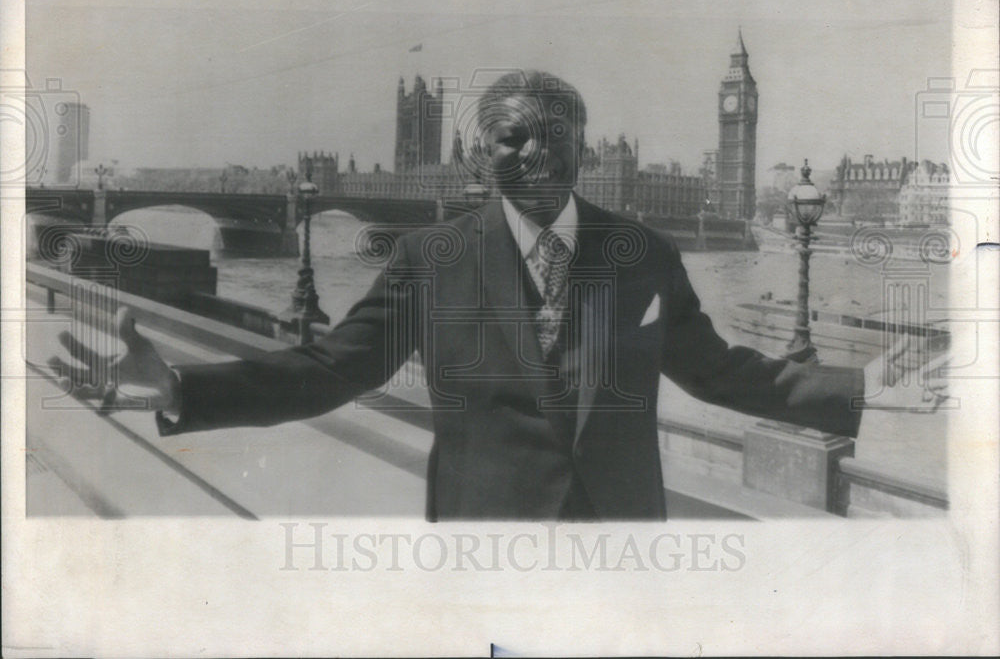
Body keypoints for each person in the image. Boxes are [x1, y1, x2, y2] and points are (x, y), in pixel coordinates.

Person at [50, 70, 947, 520]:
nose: (534, 154)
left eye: (557, 137)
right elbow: (332, 367)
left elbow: (720, 373)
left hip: (620, 550)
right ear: (480, 156)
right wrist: (183, 389)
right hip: (487, 547)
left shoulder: (640, 252)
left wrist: (870, 394)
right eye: (512, 140)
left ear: (587, 151)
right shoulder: (433, 256)